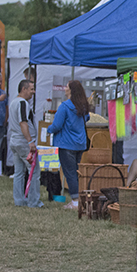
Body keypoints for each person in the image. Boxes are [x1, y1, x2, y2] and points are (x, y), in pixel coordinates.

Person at [47, 80, 90, 210]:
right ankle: (78, 200)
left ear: (70, 90)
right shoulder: (83, 106)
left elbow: (57, 125)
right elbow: (87, 118)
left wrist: (48, 129)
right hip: (80, 144)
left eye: (66, 87)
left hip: (66, 144)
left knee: (70, 173)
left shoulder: (64, 106)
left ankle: (76, 202)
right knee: (76, 172)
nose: (65, 88)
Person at [9, 79, 43, 208]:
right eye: (31, 89)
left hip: (14, 141)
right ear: (24, 89)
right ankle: (33, 202)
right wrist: (30, 141)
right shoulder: (23, 103)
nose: (33, 92)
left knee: (18, 172)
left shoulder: (13, 102)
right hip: (23, 142)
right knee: (34, 172)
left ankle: (19, 200)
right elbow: (23, 122)